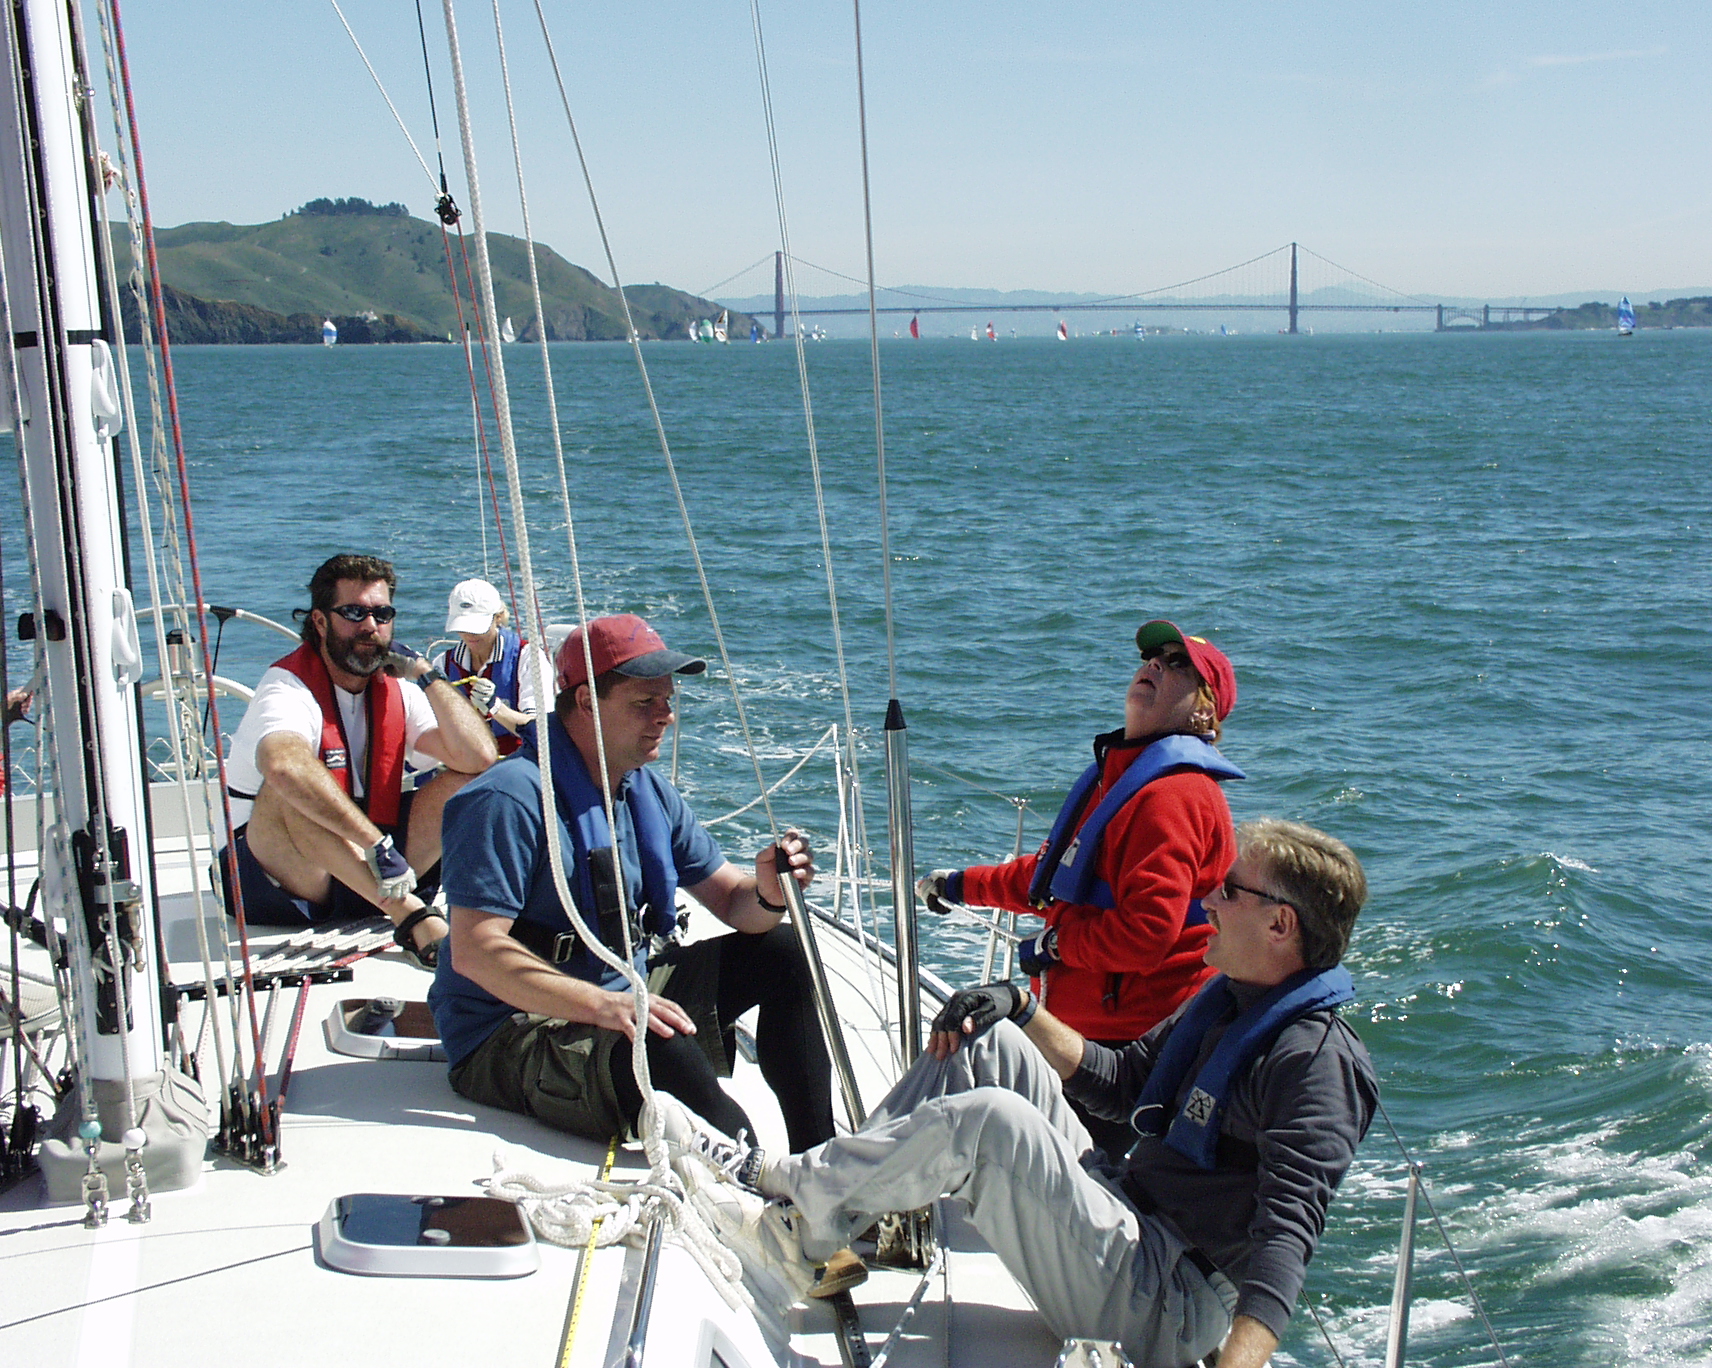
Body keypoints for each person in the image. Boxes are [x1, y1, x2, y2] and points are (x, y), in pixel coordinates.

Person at [676, 818, 1377, 1368]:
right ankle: (822, 1216)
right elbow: (1125, 1085)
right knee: (987, 1044)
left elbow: (1286, 1241)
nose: (1210, 899)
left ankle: (793, 1198)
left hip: (1165, 1299)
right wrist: (1018, 1007)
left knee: (992, 1121)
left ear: (1280, 924)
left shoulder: (1315, 1065)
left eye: (1231, 891)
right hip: (1126, 1213)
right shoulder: (1230, 1000)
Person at [428, 614, 851, 1251]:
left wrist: (768, 889)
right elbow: (475, 950)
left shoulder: (643, 791)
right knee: (656, 1043)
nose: (665, 717)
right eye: (644, 703)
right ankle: (772, 1200)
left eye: (668, 702)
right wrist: (611, 1007)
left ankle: (822, 1172)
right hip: (507, 1033)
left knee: (784, 952)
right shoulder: (507, 800)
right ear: (585, 703)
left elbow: (733, 902)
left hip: (617, 993)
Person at [917, 618, 1242, 1154]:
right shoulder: (1123, 778)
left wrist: (1055, 945)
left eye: (1177, 664)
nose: (1154, 664)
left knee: (1051, 1179)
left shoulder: (1173, 796)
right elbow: (1054, 877)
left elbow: (1147, 935)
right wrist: (959, 885)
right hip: (1083, 1032)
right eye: (1152, 657)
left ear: (1204, 710)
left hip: (1125, 1056)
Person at [220, 554, 499, 967]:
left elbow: (480, 757)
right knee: (286, 788)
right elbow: (281, 765)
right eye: (354, 613)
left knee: (472, 782)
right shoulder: (286, 689)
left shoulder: (399, 691)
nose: (371, 626)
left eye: (382, 614)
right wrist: (375, 846)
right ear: (320, 622)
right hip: (282, 881)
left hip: (375, 872)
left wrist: (427, 675)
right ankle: (411, 916)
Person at [436, 577, 551, 756]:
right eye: (462, 626)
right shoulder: (442, 664)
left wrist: (495, 707)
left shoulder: (529, 658)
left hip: (517, 759)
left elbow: (540, 731)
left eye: (476, 626)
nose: (469, 634)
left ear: (498, 618)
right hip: (464, 759)